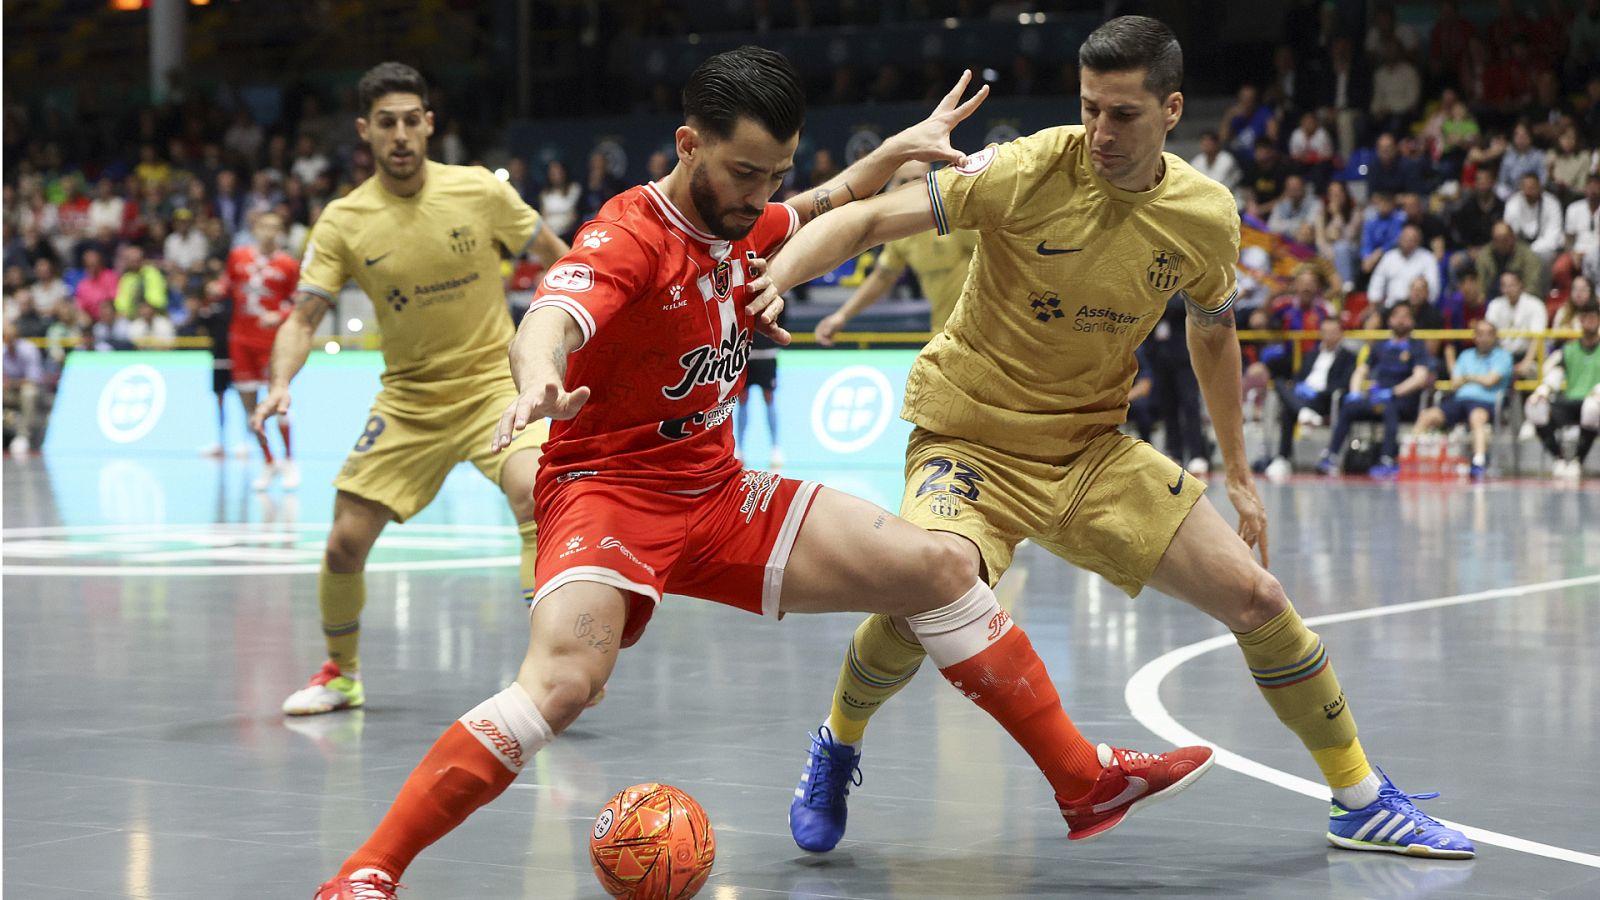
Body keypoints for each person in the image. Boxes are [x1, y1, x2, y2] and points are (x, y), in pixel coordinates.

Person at [312, 49, 1205, 900]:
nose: (761, 195)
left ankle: (1083, 783)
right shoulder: (627, 236)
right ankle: (368, 870)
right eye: (745, 173)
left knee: (942, 568)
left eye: (774, 172)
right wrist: (540, 370)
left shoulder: (743, 211)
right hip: (610, 495)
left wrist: (893, 151)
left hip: (720, 491)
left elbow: (821, 204)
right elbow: (553, 313)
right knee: (563, 684)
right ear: (687, 144)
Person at [750, 15, 1471, 861]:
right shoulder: (1025, 169)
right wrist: (771, 282)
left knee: (1259, 600)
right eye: (1090, 107)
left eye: (1122, 114)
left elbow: (1212, 328)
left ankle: (1358, 799)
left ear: (1170, 111)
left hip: (1091, 449)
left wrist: (1238, 472)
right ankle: (838, 744)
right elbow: (870, 220)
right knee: (924, 601)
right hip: (969, 440)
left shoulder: (1205, 216)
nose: (1099, 131)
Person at [251, 63, 571, 718]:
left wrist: (580, 331)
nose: (400, 135)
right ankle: (342, 674)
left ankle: (551, 673)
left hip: (492, 383)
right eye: (386, 123)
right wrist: (280, 381)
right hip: (410, 400)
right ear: (365, 132)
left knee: (536, 492)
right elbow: (303, 315)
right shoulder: (344, 221)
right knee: (344, 540)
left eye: (411, 120)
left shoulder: (479, 191)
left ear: (429, 123)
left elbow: (559, 259)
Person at [814, 160, 979, 344]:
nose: (911, 187)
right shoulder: (900, 231)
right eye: (903, 181)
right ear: (893, 187)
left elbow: (998, 258)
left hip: (982, 331)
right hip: (945, 331)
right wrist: (841, 316)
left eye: (918, 179)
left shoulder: (955, 217)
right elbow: (883, 277)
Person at [217, 211, 300, 491]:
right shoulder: (238, 257)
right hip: (240, 340)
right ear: (255, 228)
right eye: (264, 226)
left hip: (273, 343)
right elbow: (227, 287)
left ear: (281, 231)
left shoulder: (288, 264)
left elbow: (298, 301)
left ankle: (289, 461)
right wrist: (214, 288)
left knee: (278, 403)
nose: (269, 231)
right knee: (249, 406)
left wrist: (279, 315)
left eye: (275, 227)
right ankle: (268, 461)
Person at [1317, 301, 1434, 478]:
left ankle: (1387, 459)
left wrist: (1394, 392)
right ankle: (1331, 456)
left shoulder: (1416, 346)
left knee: (1388, 408)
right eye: (1397, 316)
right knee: (1349, 407)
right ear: (1390, 320)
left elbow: (1420, 377)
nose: (1401, 320)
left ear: (1412, 322)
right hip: (1377, 398)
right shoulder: (1380, 346)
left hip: (1402, 400)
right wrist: (1355, 392)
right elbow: (1361, 370)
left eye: (1405, 317)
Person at [1415, 319, 1514, 479]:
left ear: (1495, 337)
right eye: (1480, 334)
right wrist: (1476, 378)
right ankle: (1412, 455)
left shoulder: (1503, 357)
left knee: (1477, 417)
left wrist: (1467, 377)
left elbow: (1490, 381)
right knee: (1428, 415)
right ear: (1475, 337)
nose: (1484, 338)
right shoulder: (1466, 355)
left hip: (1486, 401)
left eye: (1489, 334)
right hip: (1460, 399)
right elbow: (1455, 382)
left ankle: (1479, 462)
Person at [1258, 317, 1356, 474]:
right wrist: (1299, 387)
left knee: (1289, 409)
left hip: (1324, 399)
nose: (1329, 335)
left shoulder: (1349, 357)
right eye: (1325, 332)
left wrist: (1319, 392)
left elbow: (1343, 384)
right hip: (1303, 396)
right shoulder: (1310, 354)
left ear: (1341, 334)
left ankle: (1283, 455)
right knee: (1278, 383)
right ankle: (1283, 458)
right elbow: (1298, 377)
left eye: (1333, 332)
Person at [1527, 301, 1600, 479]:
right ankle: (1559, 458)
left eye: (1593, 317)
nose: (1589, 321)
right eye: (1585, 318)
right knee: (1534, 407)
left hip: (1596, 402)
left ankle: (1577, 460)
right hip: (1571, 400)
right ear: (1579, 321)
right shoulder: (1568, 349)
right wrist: (1543, 390)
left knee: (1591, 407)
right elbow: (1556, 372)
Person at [1485, 269, 1549, 377]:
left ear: (1520, 285)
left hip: (1529, 355)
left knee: (1531, 371)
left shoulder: (1535, 305)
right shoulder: (1495, 305)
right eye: (1504, 285)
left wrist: (1526, 362)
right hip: (1501, 355)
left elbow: (1537, 337)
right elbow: (1489, 332)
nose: (1508, 289)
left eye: (1512, 285)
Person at [1367, 224, 1439, 307]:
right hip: (1391, 307)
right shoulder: (1389, 257)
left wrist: (1420, 305)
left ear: (1418, 241)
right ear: (1399, 239)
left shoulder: (1428, 258)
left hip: (1418, 308)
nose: (1407, 242)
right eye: (1405, 238)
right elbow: (1376, 283)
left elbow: (1433, 289)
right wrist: (1375, 302)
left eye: (1411, 239)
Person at [3, 321, 44, 455]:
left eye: (11, 338)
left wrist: (13, 383)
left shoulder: (29, 349)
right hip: (8, 390)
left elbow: (34, 378)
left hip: (27, 389)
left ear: (16, 337)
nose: (8, 342)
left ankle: (23, 436)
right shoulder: (2, 351)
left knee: (29, 393)